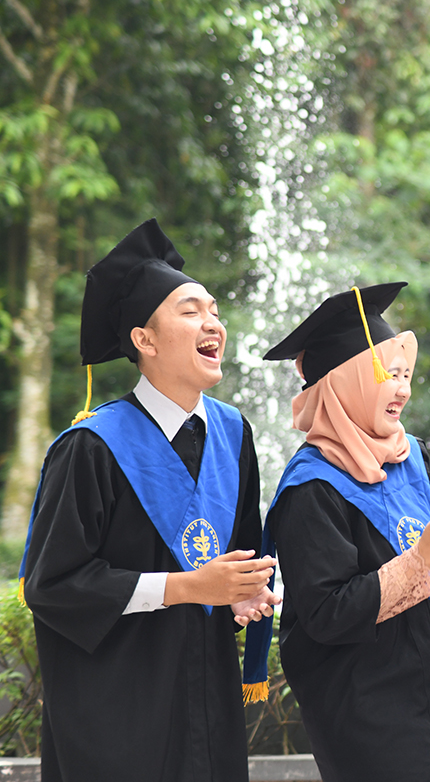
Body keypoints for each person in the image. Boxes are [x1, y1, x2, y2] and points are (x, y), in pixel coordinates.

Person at [20, 219, 279, 782]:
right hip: (116, 719)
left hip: (207, 713)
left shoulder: (235, 436)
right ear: (144, 339)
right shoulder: (91, 447)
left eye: (214, 310)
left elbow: (231, 563)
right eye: (190, 311)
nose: (213, 322)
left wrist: (241, 598)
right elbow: (51, 586)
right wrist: (188, 588)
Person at [262, 282, 430, 782]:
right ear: (343, 384)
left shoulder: (411, 458)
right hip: (366, 707)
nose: (402, 389)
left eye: (405, 374)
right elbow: (327, 614)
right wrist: (422, 558)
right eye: (387, 375)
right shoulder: (311, 488)